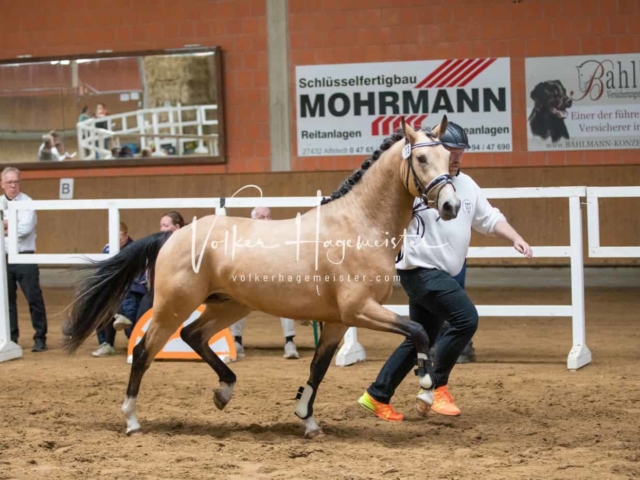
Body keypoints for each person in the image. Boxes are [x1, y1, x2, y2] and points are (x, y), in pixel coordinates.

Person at [357, 122, 533, 421]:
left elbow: (489, 218)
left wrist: (515, 237)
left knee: (419, 337)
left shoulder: (467, 185)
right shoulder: (417, 182)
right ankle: (437, 387)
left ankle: (376, 395)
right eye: (451, 152)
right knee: (466, 320)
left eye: (460, 153)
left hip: (444, 274)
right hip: (421, 271)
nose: (457, 158)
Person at [230, 206, 301, 360]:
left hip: (273, 286)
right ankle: (236, 341)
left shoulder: (281, 238)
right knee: (236, 299)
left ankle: (289, 343)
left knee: (286, 300)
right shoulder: (243, 238)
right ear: (253, 220)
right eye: (262, 217)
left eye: (268, 216)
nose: (266, 220)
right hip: (250, 286)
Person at [1, 167, 48, 352]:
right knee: (6, 300)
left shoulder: (28, 203)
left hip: (24, 256)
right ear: (2, 184)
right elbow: (17, 228)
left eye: (16, 182)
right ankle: (11, 338)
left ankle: (40, 337)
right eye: (9, 182)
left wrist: (4, 225)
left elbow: (24, 230)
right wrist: (11, 226)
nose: (13, 185)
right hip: (2, 257)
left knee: (34, 297)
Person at [92, 222, 148, 357]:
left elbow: (139, 278)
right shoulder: (107, 249)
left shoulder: (136, 249)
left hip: (133, 289)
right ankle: (106, 343)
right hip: (115, 290)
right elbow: (102, 272)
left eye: (120, 238)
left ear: (126, 235)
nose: (116, 242)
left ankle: (134, 341)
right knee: (101, 302)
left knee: (120, 299)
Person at [130, 211, 186, 328]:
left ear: (177, 227)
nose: (162, 230)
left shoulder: (185, 246)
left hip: (176, 292)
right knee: (139, 319)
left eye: (166, 226)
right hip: (156, 290)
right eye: (161, 226)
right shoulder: (159, 244)